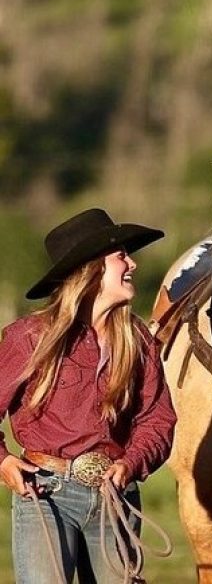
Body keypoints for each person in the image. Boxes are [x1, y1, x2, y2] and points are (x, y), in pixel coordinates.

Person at [0, 208, 177, 583]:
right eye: (121, 257)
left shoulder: (138, 340)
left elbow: (157, 419)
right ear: (92, 268)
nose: (132, 264)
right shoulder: (29, 337)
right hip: (44, 493)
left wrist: (130, 463)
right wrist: (3, 461)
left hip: (115, 496)